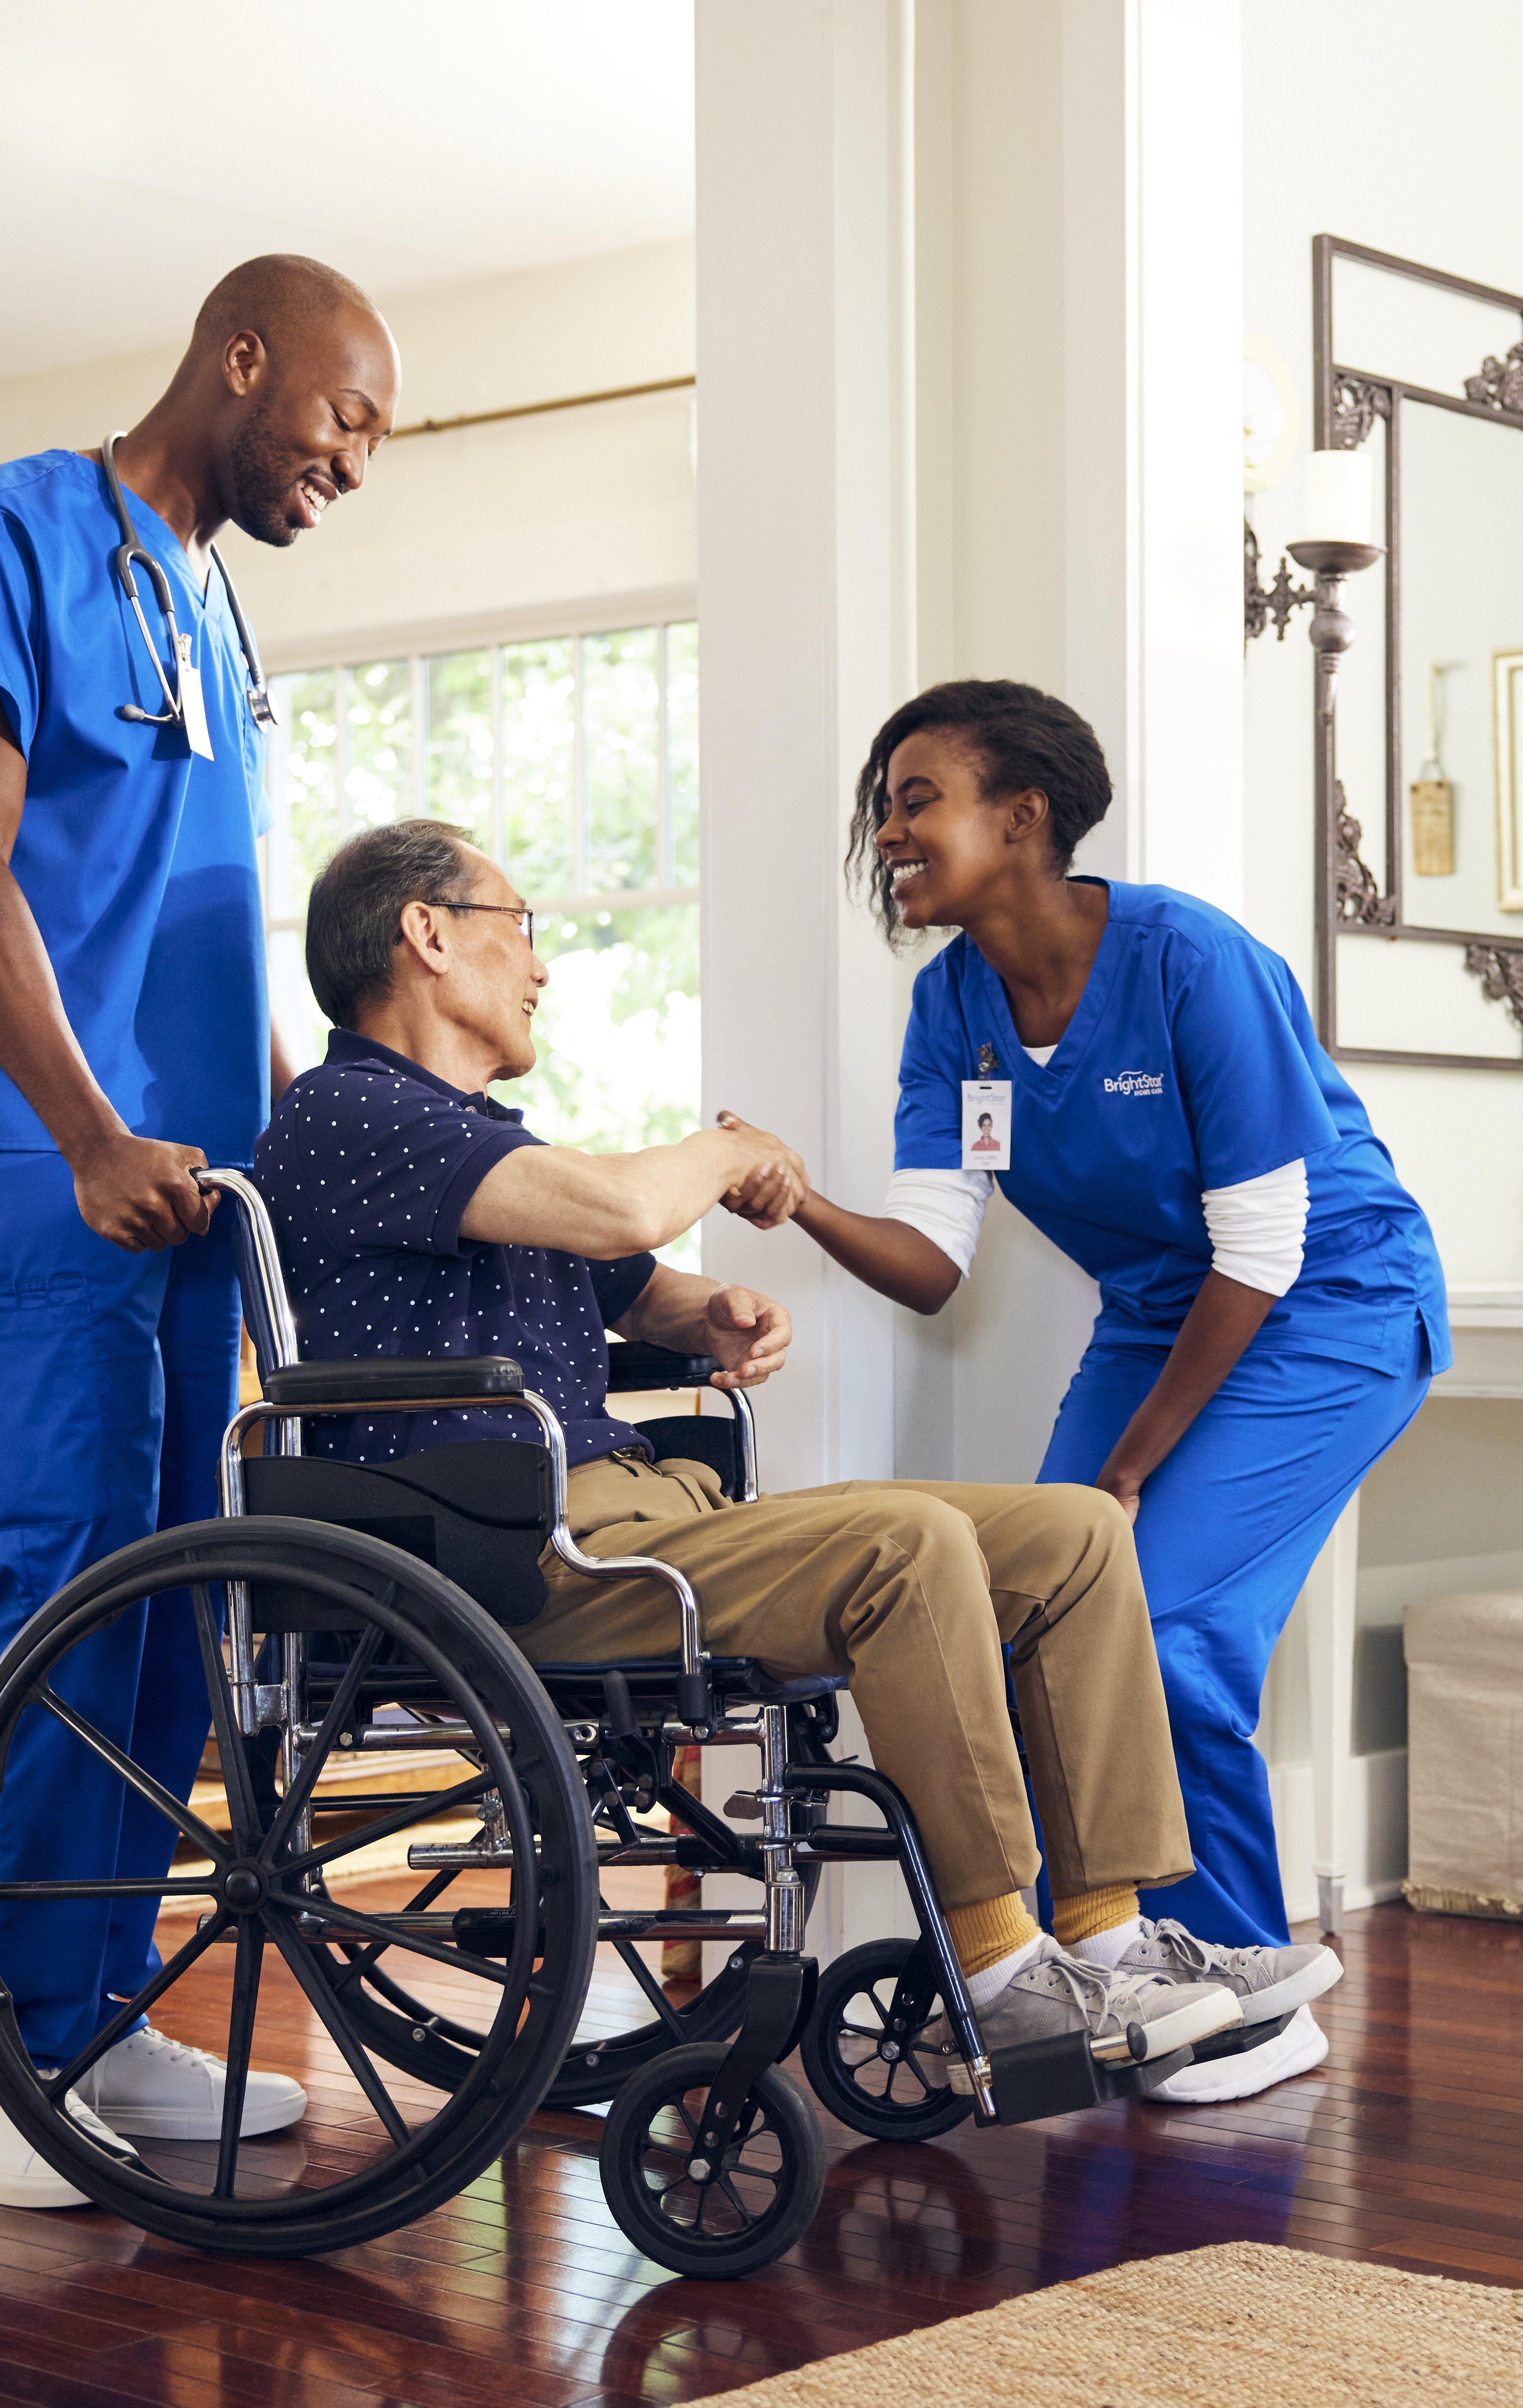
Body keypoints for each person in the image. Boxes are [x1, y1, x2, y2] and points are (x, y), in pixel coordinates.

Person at [247, 818, 1345, 2090]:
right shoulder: (347, 1114)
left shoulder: (472, 1133)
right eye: (521, 926)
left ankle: (1109, 1940)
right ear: (428, 935)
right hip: (515, 1557)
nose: (540, 966)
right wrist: (732, 1148)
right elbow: (618, 1207)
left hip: (634, 1514)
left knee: (1077, 1534)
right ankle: (1000, 1970)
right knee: (908, 1544)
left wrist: (702, 1313)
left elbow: (619, 1274)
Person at [0, 256, 399, 2209]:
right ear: (241, 362)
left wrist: (287, 1112)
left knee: (171, 1601)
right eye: (345, 417)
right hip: (27, 1147)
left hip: (187, 1167)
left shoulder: (213, 604)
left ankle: (91, 2006)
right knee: (51, 1588)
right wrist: (81, 1125)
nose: (354, 466)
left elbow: (188, 902)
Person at [768, 679, 1449, 2102]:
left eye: (916, 800)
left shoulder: (1193, 961)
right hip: (1163, 1312)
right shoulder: (951, 1004)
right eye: (883, 808)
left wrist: (1127, 1471)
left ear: (1023, 819)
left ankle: (1253, 1988)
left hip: (1328, 1304)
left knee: (1170, 1620)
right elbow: (937, 1259)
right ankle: (1121, 1966)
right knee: (1040, 1611)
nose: (888, 832)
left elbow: (1263, 1249)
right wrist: (796, 1200)